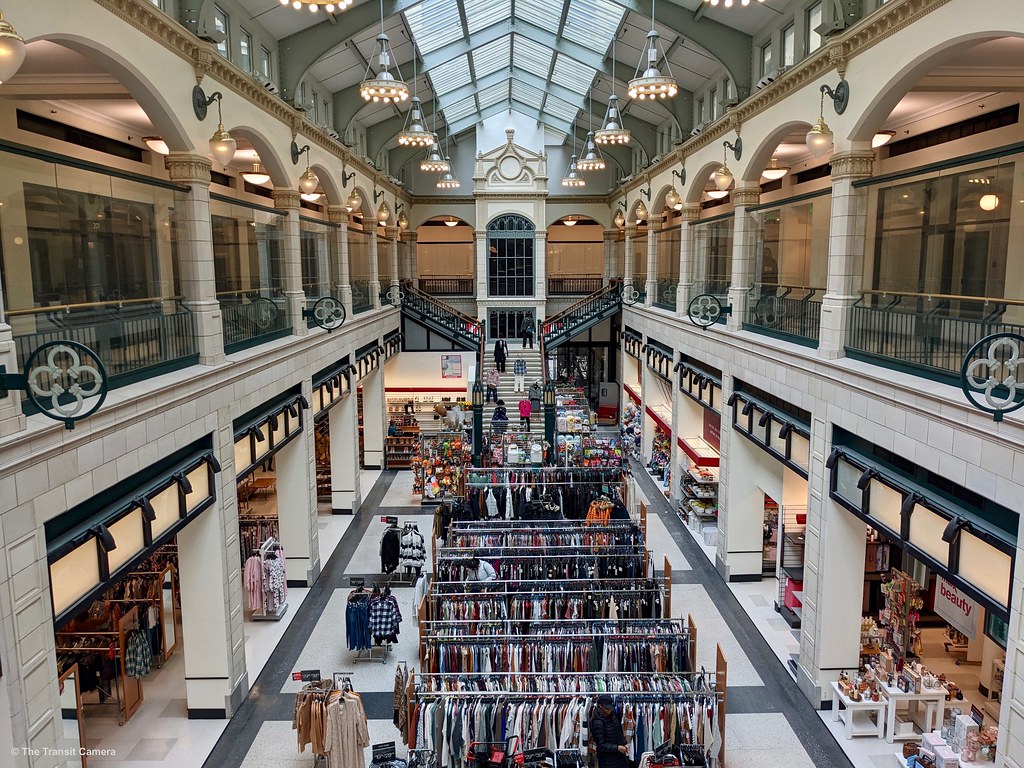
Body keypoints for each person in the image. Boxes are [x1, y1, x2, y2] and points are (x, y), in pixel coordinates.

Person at [590, 695, 629, 768]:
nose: (609, 710)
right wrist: (617, 748)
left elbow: (618, 731)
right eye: (606, 708)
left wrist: (624, 743)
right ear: (600, 706)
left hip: (619, 756)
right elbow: (601, 745)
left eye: (610, 708)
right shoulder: (597, 721)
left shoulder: (612, 714)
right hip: (607, 759)